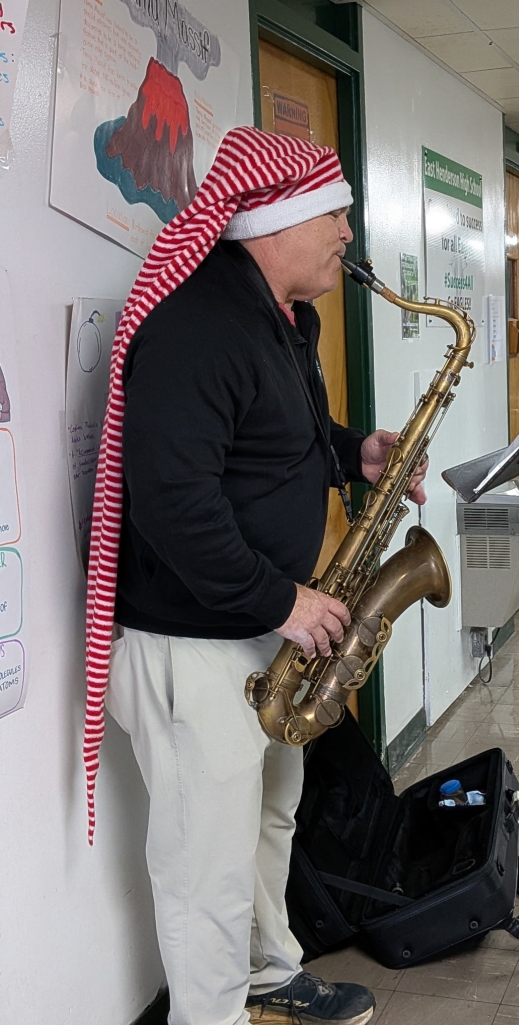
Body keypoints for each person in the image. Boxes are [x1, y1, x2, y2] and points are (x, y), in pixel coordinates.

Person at [83, 128, 428, 1025]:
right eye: (338, 213)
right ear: (277, 220)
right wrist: (283, 597)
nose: (349, 232)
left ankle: (270, 974)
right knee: (204, 863)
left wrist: (356, 450)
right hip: (190, 642)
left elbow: (275, 438)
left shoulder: (281, 320)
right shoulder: (195, 327)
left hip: (258, 628)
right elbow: (172, 502)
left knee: (272, 820)